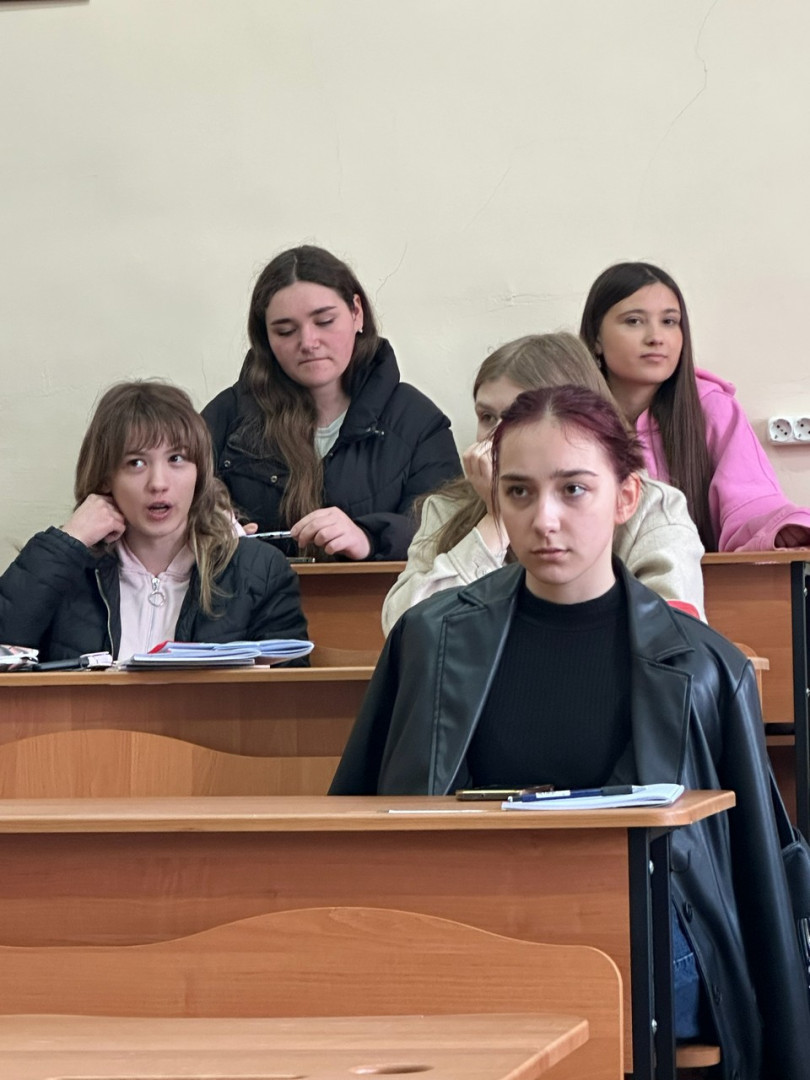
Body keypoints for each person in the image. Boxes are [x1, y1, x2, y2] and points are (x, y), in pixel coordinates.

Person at [330, 384, 810, 1080]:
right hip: (465, 923)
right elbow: (354, 824)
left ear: (625, 498)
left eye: (574, 490)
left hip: (644, 939)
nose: (544, 519)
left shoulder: (706, 668)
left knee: (585, 980)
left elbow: (755, 880)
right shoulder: (429, 639)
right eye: (519, 493)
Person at [382, 332, 705, 635]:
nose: (495, 439)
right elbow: (404, 631)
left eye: (517, 418)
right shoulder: (447, 508)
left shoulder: (650, 506)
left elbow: (674, 638)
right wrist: (495, 522)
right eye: (487, 417)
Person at [0, 381, 308, 662]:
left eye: (176, 459)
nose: (158, 483)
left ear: (199, 471)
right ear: (106, 477)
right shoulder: (66, 570)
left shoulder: (260, 570)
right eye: (136, 463)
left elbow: (293, 694)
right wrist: (69, 541)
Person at [202, 245, 461, 561]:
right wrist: (210, 529)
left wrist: (370, 538)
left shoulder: (416, 422)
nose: (308, 342)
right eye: (285, 331)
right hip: (254, 594)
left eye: (324, 321)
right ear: (265, 338)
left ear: (357, 313)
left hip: (376, 594)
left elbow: (449, 530)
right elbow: (172, 511)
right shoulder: (228, 417)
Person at [580, 260, 810, 551]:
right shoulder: (568, 419)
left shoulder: (713, 408)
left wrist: (778, 530)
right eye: (634, 321)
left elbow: (752, 503)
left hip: (696, 579)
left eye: (669, 321)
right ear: (596, 338)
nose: (656, 338)